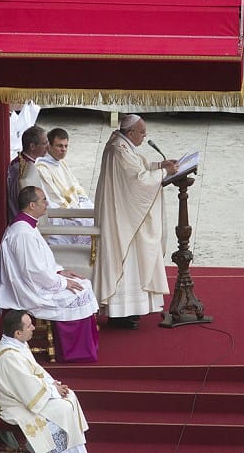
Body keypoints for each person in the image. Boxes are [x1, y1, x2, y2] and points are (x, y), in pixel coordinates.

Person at [0, 186, 99, 362]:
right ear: (32, 205)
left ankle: (85, 346)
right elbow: (33, 272)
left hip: (40, 281)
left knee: (83, 284)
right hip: (30, 289)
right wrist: (63, 282)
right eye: (43, 200)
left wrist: (60, 271)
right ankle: (74, 351)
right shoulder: (23, 233)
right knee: (78, 291)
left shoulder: (28, 226)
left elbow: (39, 262)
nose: (47, 203)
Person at [94, 114, 178, 330]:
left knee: (133, 261)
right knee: (126, 261)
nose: (144, 136)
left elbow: (139, 168)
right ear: (130, 133)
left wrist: (159, 166)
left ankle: (130, 311)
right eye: (142, 132)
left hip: (127, 215)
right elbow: (137, 182)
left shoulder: (122, 145)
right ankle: (121, 313)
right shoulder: (118, 150)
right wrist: (164, 172)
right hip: (123, 220)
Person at [0, 310, 89, 453]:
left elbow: (35, 371)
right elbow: (27, 387)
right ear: (18, 333)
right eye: (29, 326)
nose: (34, 328)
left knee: (69, 397)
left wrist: (53, 385)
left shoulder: (18, 344)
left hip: (25, 395)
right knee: (62, 408)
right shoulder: (9, 357)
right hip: (13, 403)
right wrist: (53, 391)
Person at [36, 127, 95, 245]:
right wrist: (80, 214)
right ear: (49, 146)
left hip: (74, 209)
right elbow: (55, 200)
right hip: (62, 217)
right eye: (59, 146)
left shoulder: (60, 162)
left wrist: (86, 205)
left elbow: (76, 186)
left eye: (66, 146)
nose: (63, 150)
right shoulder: (42, 168)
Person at [6, 125, 48, 222]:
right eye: (44, 143)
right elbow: (21, 206)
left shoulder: (26, 164)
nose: (48, 146)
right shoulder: (21, 170)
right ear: (32, 146)